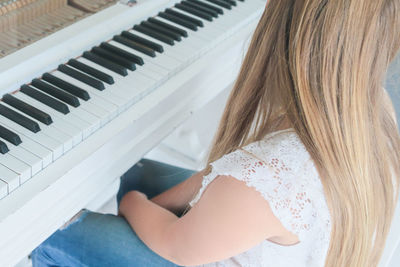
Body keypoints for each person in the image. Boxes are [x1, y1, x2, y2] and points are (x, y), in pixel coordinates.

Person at [31, 0, 400, 266]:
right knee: (132, 169)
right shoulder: (374, 112)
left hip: (192, 248)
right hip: (249, 232)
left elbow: (177, 247)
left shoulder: (274, 175)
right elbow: (227, 182)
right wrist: (150, 202)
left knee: (46, 229)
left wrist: (132, 203)